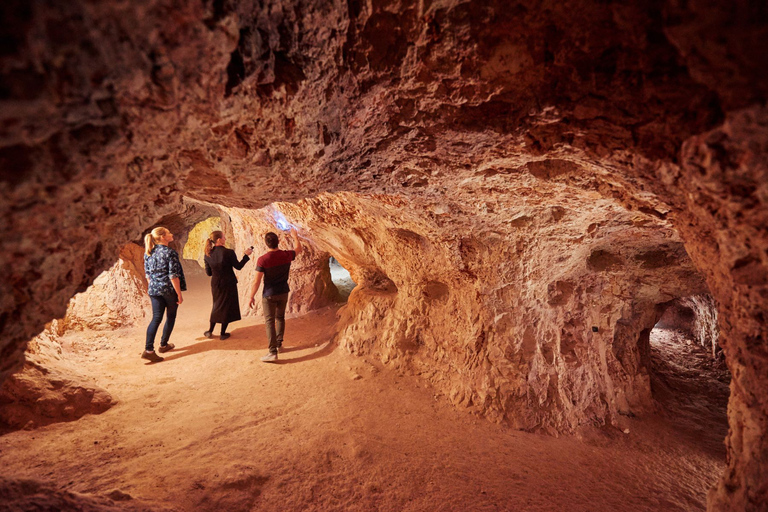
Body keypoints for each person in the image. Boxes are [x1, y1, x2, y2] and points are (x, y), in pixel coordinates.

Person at [248, 228, 302, 362]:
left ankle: (272, 352)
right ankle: (279, 343)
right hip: (283, 291)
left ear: (266, 244)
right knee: (280, 318)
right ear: (278, 242)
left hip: (269, 294)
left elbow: (257, 280)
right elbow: (298, 249)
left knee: (269, 321)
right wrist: (295, 237)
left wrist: (251, 296)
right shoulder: (286, 255)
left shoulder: (263, 260)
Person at [143, 226, 186, 363]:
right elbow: (173, 276)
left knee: (156, 318)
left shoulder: (148, 252)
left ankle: (149, 350)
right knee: (171, 316)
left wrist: (153, 286)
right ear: (163, 237)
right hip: (168, 290)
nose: (171, 234)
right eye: (169, 233)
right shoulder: (170, 252)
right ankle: (163, 345)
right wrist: (179, 293)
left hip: (154, 290)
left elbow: (148, 275)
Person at [203, 230, 253, 340]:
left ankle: (210, 331)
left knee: (216, 305)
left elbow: (208, 273)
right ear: (219, 240)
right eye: (224, 237)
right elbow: (238, 266)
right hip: (228, 283)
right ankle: (222, 333)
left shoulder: (207, 254)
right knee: (226, 307)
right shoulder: (229, 252)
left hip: (216, 283)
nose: (225, 239)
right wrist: (246, 255)